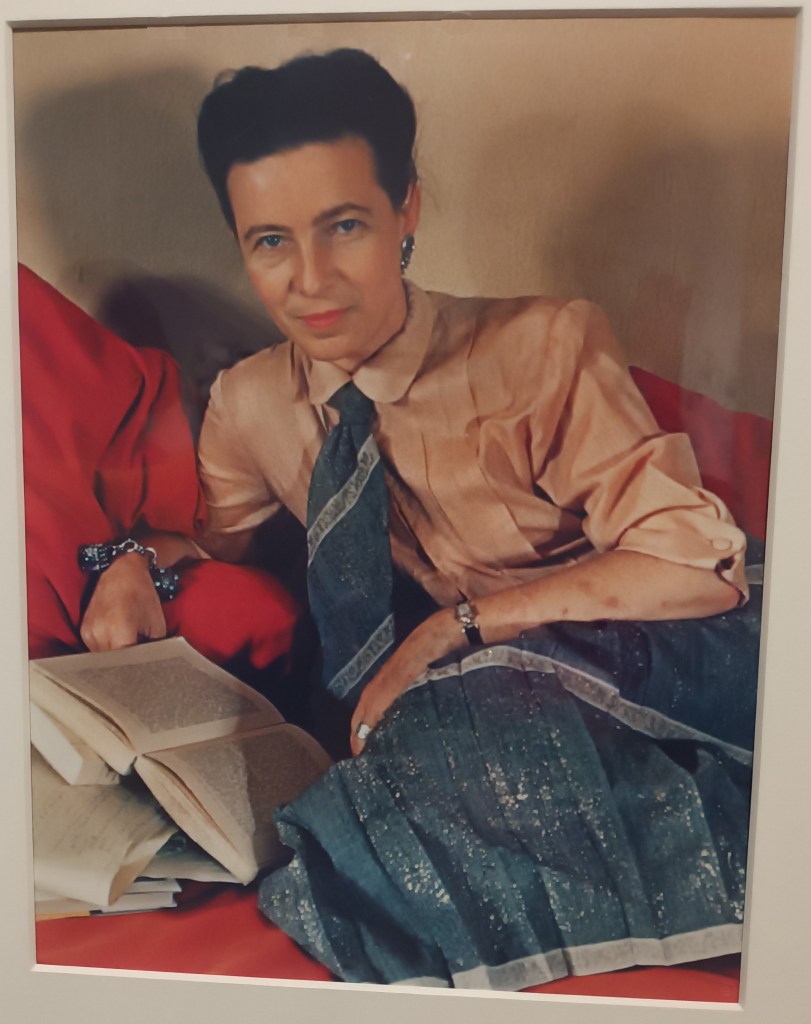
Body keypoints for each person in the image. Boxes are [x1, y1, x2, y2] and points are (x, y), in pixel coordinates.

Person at [79, 48, 760, 988]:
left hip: (657, 648)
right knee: (422, 750)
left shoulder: (542, 342)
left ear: (406, 210)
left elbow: (693, 565)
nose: (310, 280)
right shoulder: (249, 402)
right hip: (477, 698)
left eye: (343, 226)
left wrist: (455, 627)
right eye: (270, 241)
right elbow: (216, 545)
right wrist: (129, 560)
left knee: (452, 738)